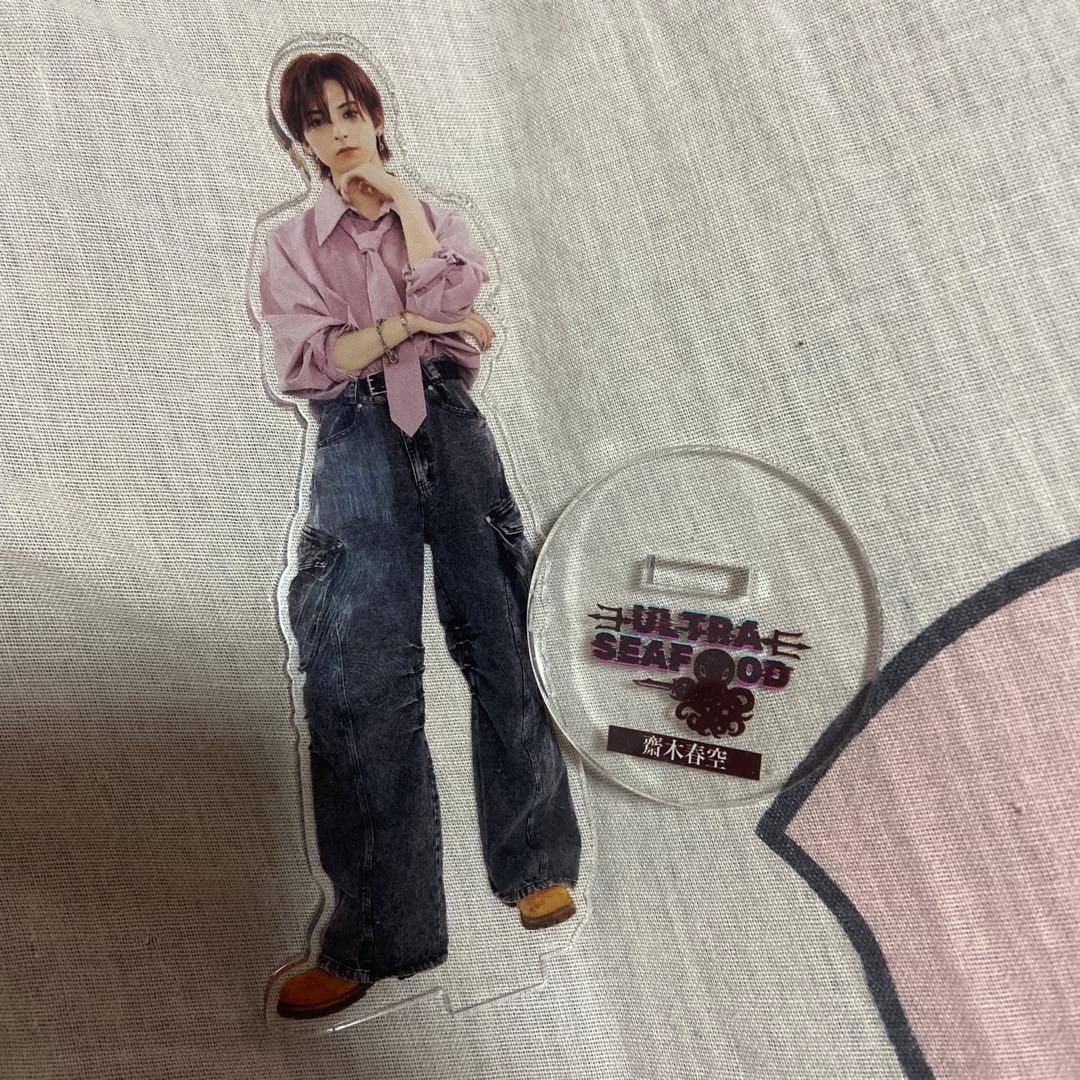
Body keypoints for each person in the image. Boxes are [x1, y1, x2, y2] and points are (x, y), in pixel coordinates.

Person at [258, 51, 582, 1021]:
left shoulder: (436, 217)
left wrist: (403, 207)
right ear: (300, 140)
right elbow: (314, 360)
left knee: (504, 640)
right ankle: (377, 934)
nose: (340, 131)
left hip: (450, 426)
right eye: (318, 121)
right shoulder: (289, 243)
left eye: (351, 111)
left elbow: (454, 305)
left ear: (377, 114)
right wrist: (418, 322)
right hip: (356, 439)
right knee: (359, 676)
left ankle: (535, 863)